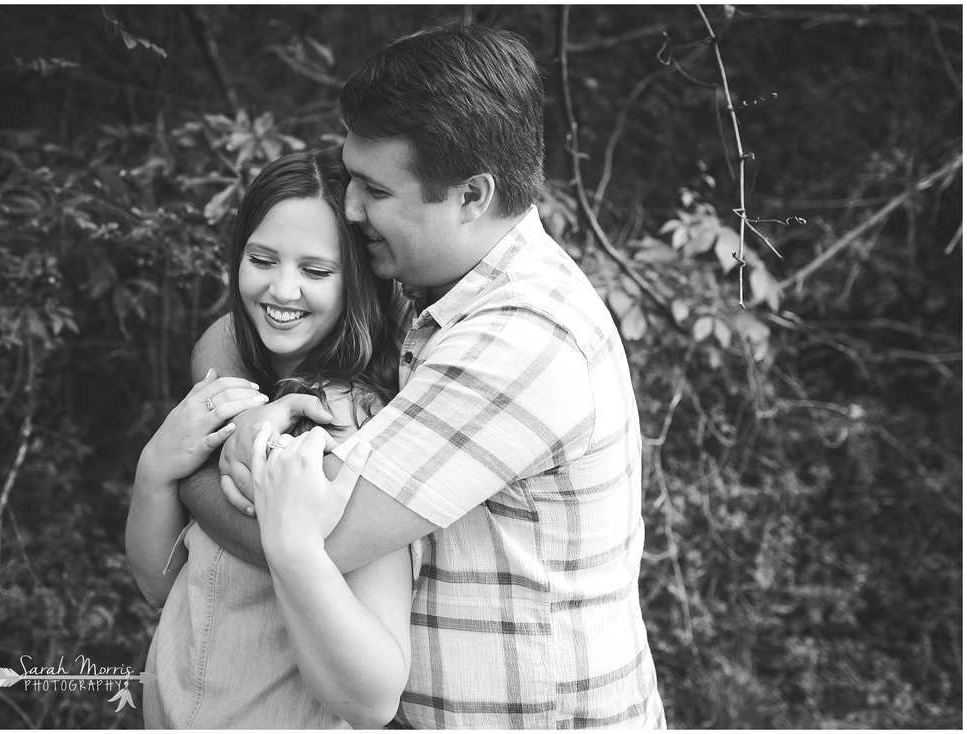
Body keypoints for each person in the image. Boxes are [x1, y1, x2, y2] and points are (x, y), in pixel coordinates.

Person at [184, 23, 667, 729]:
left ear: (471, 195)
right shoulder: (438, 280)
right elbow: (241, 329)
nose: (350, 209)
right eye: (351, 179)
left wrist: (183, 459)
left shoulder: (520, 337)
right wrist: (241, 403)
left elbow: (312, 535)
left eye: (375, 190)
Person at [125, 146, 412, 729]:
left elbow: (376, 693)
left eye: (316, 270)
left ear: (357, 280)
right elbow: (159, 583)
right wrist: (155, 468)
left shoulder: (344, 425)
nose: (282, 290)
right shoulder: (234, 388)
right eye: (262, 259)